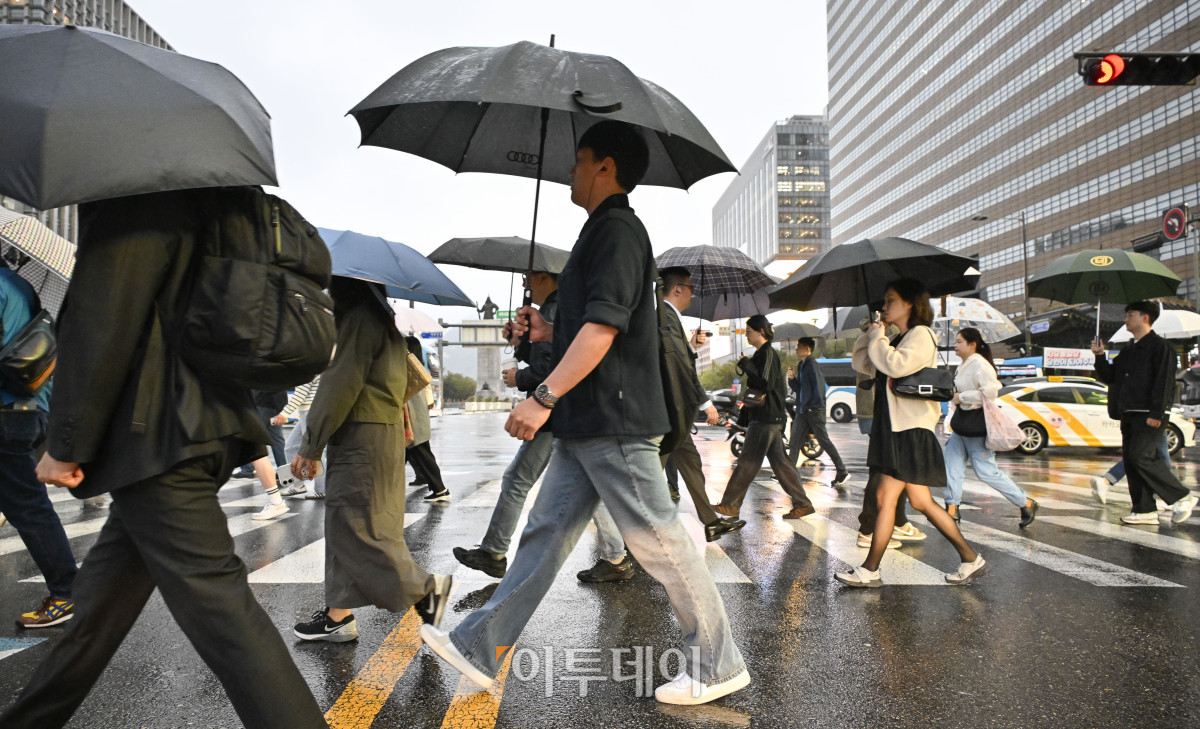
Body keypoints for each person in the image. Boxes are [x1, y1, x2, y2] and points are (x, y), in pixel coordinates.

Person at [419, 120, 749, 705]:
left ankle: (719, 664)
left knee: (658, 541)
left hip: (615, 419)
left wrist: (541, 396)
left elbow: (604, 329)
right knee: (545, 536)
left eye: (579, 160)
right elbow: (586, 325)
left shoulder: (618, 231)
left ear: (606, 167)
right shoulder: (598, 233)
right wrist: (542, 326)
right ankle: (479, 646)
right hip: (589, 421)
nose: (569, 171)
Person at [0, 189, 328, 729]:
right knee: (93, 620)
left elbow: (102, 313)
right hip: (202, 424)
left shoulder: (135, 192)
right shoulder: (219, 199)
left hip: (158, 436)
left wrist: (65, 443)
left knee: (227, 621)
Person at [291, 277, 452, 642]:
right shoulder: (383, 319)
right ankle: (338, 616)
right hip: (379, 432)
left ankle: (426, 591)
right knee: (348, 525)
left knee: (360, 526)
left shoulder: (358, 320)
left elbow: (339, 384)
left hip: (361, 436)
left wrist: (311, 444)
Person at [837, 278, 985, 588]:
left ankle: (870, 570)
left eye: (890, 300)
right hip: (896, 429)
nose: (885, 306)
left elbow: (895, 367)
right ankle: (970, 558)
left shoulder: (921, 335)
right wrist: (872, 333)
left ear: (908, 305)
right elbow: (865, 363)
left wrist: (880, 337)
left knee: (885, 497)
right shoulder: (899, 337)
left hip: (908, 432)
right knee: (921, 502)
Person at [454, 270, 559, 578]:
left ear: (545, 277)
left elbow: (551, 364)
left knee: (516, 481)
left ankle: (494, 552)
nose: (525, 283)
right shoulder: (554, 310)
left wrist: (519, 378)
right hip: (561, 413)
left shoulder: (554, 309)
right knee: (594, 489)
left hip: (552, 412)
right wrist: (519, 341)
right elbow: (544, 353)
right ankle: (617, 557)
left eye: (529, 277)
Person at [0, 267, 78, 628]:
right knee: (29, 507)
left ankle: (66, 594)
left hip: (7, 413)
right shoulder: (18, 285)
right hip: (30, 409)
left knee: (29, 509)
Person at [1090, 301, 1198, 525]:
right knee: (1131, 461)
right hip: (1128, 413)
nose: (1126, 319)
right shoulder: (1129, 350)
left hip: (1149, 413)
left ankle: (1183, 497)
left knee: (1141, 456)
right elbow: (1111, 377)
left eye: (1130, 315)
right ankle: (1144, 510)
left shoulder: (1161, 347)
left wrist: (1158, 413)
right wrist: (1099, 356)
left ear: (1145, 318)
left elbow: (1164, 382)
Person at [714, 315, 815, 520]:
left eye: (749, 331)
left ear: (761, 332)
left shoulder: (768, 352)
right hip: (767, 416)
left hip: (767, 416)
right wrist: (747, 364)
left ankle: (730, 505)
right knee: (781, 464)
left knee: (748, 461)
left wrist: (746, 364)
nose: (747, 335)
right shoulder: (761, 354)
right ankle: (802, 504)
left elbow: (765, 383)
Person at [943, 327, 1038, 528]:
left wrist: (962, 397)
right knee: (951, 466)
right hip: (962, 425)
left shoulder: (980, 364)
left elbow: (992, 392)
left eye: (959, 341)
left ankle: (1026, 503)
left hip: (977, 426)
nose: (955, 345)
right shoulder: (964, 364)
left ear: (972, 344)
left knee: (986, 472)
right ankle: (952, 507)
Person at [786, 336, 849, 485]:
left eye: (799, 346)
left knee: (824, 441)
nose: (796, 349)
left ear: (807, 349)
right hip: (803, 410)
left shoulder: (812, 365)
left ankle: (842, 471)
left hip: (813, 410)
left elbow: (819, 388)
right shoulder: (802, 365)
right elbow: (799, 389)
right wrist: (791, 378)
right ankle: (788, 474)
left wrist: (812, 407)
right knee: (794, 441)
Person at [405, 336, 450, 503]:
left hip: (413, 417)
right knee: (417, 452)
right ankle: (436, 487)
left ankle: (440, 489)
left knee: (422, 453)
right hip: (415, 417)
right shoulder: (415, 365)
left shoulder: (411, 366)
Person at [274, 375, 326, 499]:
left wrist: (285, 413)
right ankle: (298, 485)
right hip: (307, 410)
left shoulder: (310, 368)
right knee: (291, 446)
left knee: (315, 450)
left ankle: (322, 489)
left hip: (310, 411)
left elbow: (300, 394)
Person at [1090, 432, 1169, 505]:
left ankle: (1106, 480)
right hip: (1152, 420)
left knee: (1139, 455)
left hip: (1138, 420)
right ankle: (1160, 498)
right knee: (1160, 457)